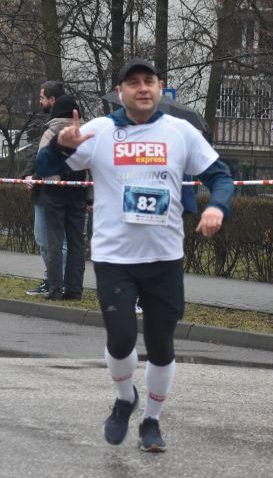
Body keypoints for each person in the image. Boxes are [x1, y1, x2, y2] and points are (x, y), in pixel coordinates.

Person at [37, 58, 235, 452]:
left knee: (161, 344)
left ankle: (151, 421)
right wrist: (60, 146)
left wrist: (217, 207)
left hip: (164, 258)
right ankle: (125, 398)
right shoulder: (98, 131)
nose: (142, 88)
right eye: (133, 83)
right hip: (115, 257)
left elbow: (220, 176)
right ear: (120, 92)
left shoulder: (180, 132)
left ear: (160, 87)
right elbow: (44, 168)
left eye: (149, 81)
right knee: (122, 338)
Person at [36, 94, 88, 299]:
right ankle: (75, 290)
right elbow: (91, 168)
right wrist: (90, 197)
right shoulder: (85, 131)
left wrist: (53, 182)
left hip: (54, 192)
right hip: (79, 191)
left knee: (55, 241)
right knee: (77, 242)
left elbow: (43, 162)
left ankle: (55, 288)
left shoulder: (51, 132)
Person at [24, 80, 66, 295]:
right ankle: (52, 278)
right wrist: (28, 175)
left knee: (58, 242)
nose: (39, 102)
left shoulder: (65, 127)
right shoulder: (47, 125)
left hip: (57, 193)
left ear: (52, 99)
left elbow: (52, 161)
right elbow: (37, 156)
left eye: (42, 98)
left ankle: (58, 281)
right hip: (43, 192)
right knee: (43, 240)